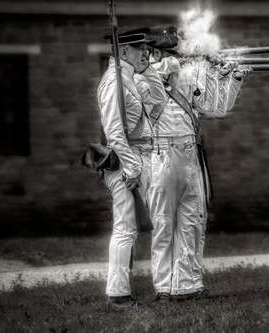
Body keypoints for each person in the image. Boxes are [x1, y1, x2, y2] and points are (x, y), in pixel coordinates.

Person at [145, 28, 252, 303]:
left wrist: (232, 77)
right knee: (163, 224)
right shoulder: (143, 78)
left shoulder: (188, 76)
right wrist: (171, 66)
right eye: (163, 52)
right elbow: (151, 87)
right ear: (153, 53)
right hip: (160, 155)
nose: (170, 58)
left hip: (189, 156)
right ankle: (164, 288)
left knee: (192, 223)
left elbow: (217, 108)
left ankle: (189, 284)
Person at [97, 28, 166, 310]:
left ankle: (122, 290)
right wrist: (132, 167)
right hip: (128, 162)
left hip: (138, 159)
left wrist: (147, 67)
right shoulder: (115, 82)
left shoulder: (130, 78)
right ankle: (117, 293)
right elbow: (113, 132)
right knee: (124, 229)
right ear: (123, 51)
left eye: (146, 49)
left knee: (130, 229)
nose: (146, 52)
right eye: (140, 49)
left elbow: (159, 102)